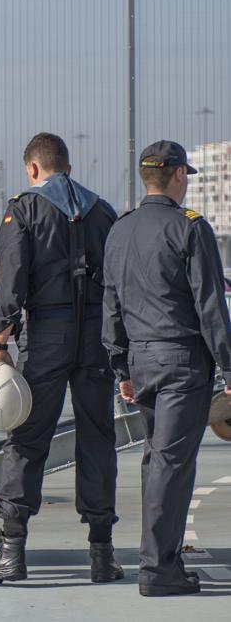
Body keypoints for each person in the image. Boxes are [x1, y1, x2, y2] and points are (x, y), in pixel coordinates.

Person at [0, 133, 122, 586]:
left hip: (47, 336)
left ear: (33, 169)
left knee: (27, 436)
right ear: (68, 167)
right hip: (96, 336)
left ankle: (11, 550)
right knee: (98, 437)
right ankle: (101, 552)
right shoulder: (103, 211)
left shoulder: (25, 209)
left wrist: (1, 344)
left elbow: (11, 281)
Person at [102, 140, 231, 597]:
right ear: (178, 175)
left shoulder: (120, 230)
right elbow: (211, 306)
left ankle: (162, 557)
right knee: (172, 465)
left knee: (156, 460)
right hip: (181, 362)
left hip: (141, 360)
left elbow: (111, 306)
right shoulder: (190, 228)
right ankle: (158, 569)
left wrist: (121, 368)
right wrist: (230, 370)